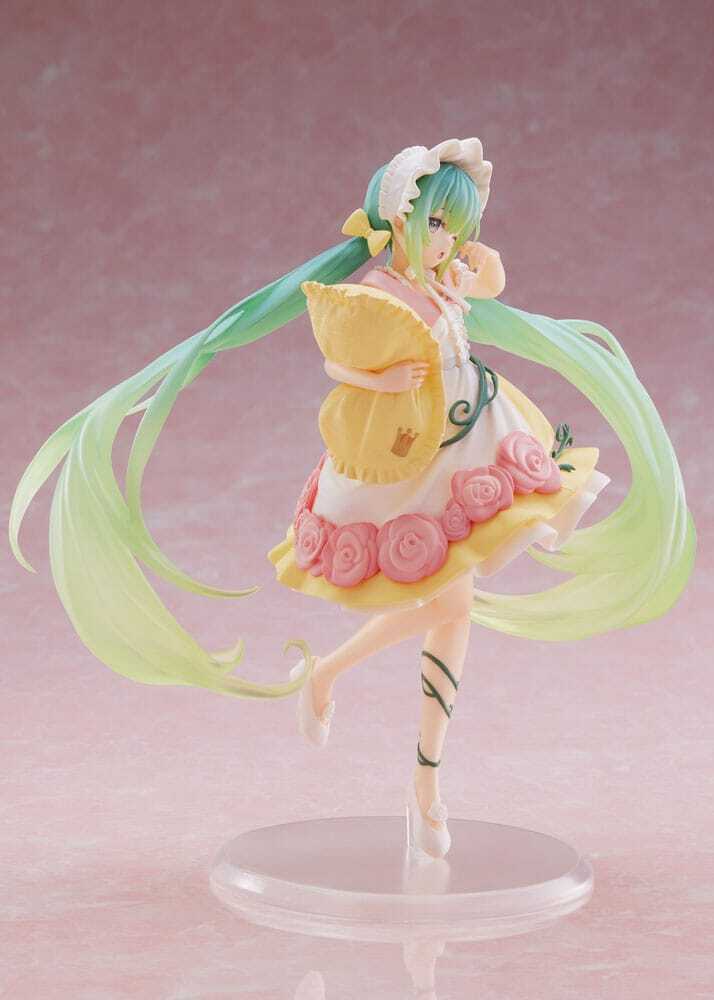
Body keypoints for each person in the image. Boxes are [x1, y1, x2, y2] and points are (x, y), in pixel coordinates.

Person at [9, 137, 696, 859]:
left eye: (456, 228)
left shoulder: (444, 281)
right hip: (410, 454)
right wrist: (381, 381)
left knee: (453, 609)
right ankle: (407, 766)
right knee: (451, 609)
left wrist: (484, 264)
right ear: (400, 218)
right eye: (436, 223)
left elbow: (486, 290)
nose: (445, 240)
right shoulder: (378, 291)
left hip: (474, 436)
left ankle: (402, 759)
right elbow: (338, 361)